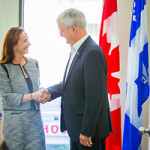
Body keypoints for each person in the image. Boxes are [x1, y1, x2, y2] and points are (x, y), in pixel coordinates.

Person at [43, 8, 113, 150]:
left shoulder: (91, 52)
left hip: (88, 133)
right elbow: (73, 83)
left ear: (73, 28)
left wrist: (87, 131)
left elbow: (95, 97)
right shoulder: (79, 49)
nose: (61, 34)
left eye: (62, 30)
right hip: (77, 129)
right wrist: (50, 91)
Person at [0, 26, 51, 150]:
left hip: (35, 122)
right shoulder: (3, 67)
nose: (29, 43)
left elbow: (35, 87)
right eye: (24, 41)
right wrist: (34, 96)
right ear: (13, 45)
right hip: (15, 126)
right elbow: (7, 97)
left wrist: (43, 92)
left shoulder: (34, 63)